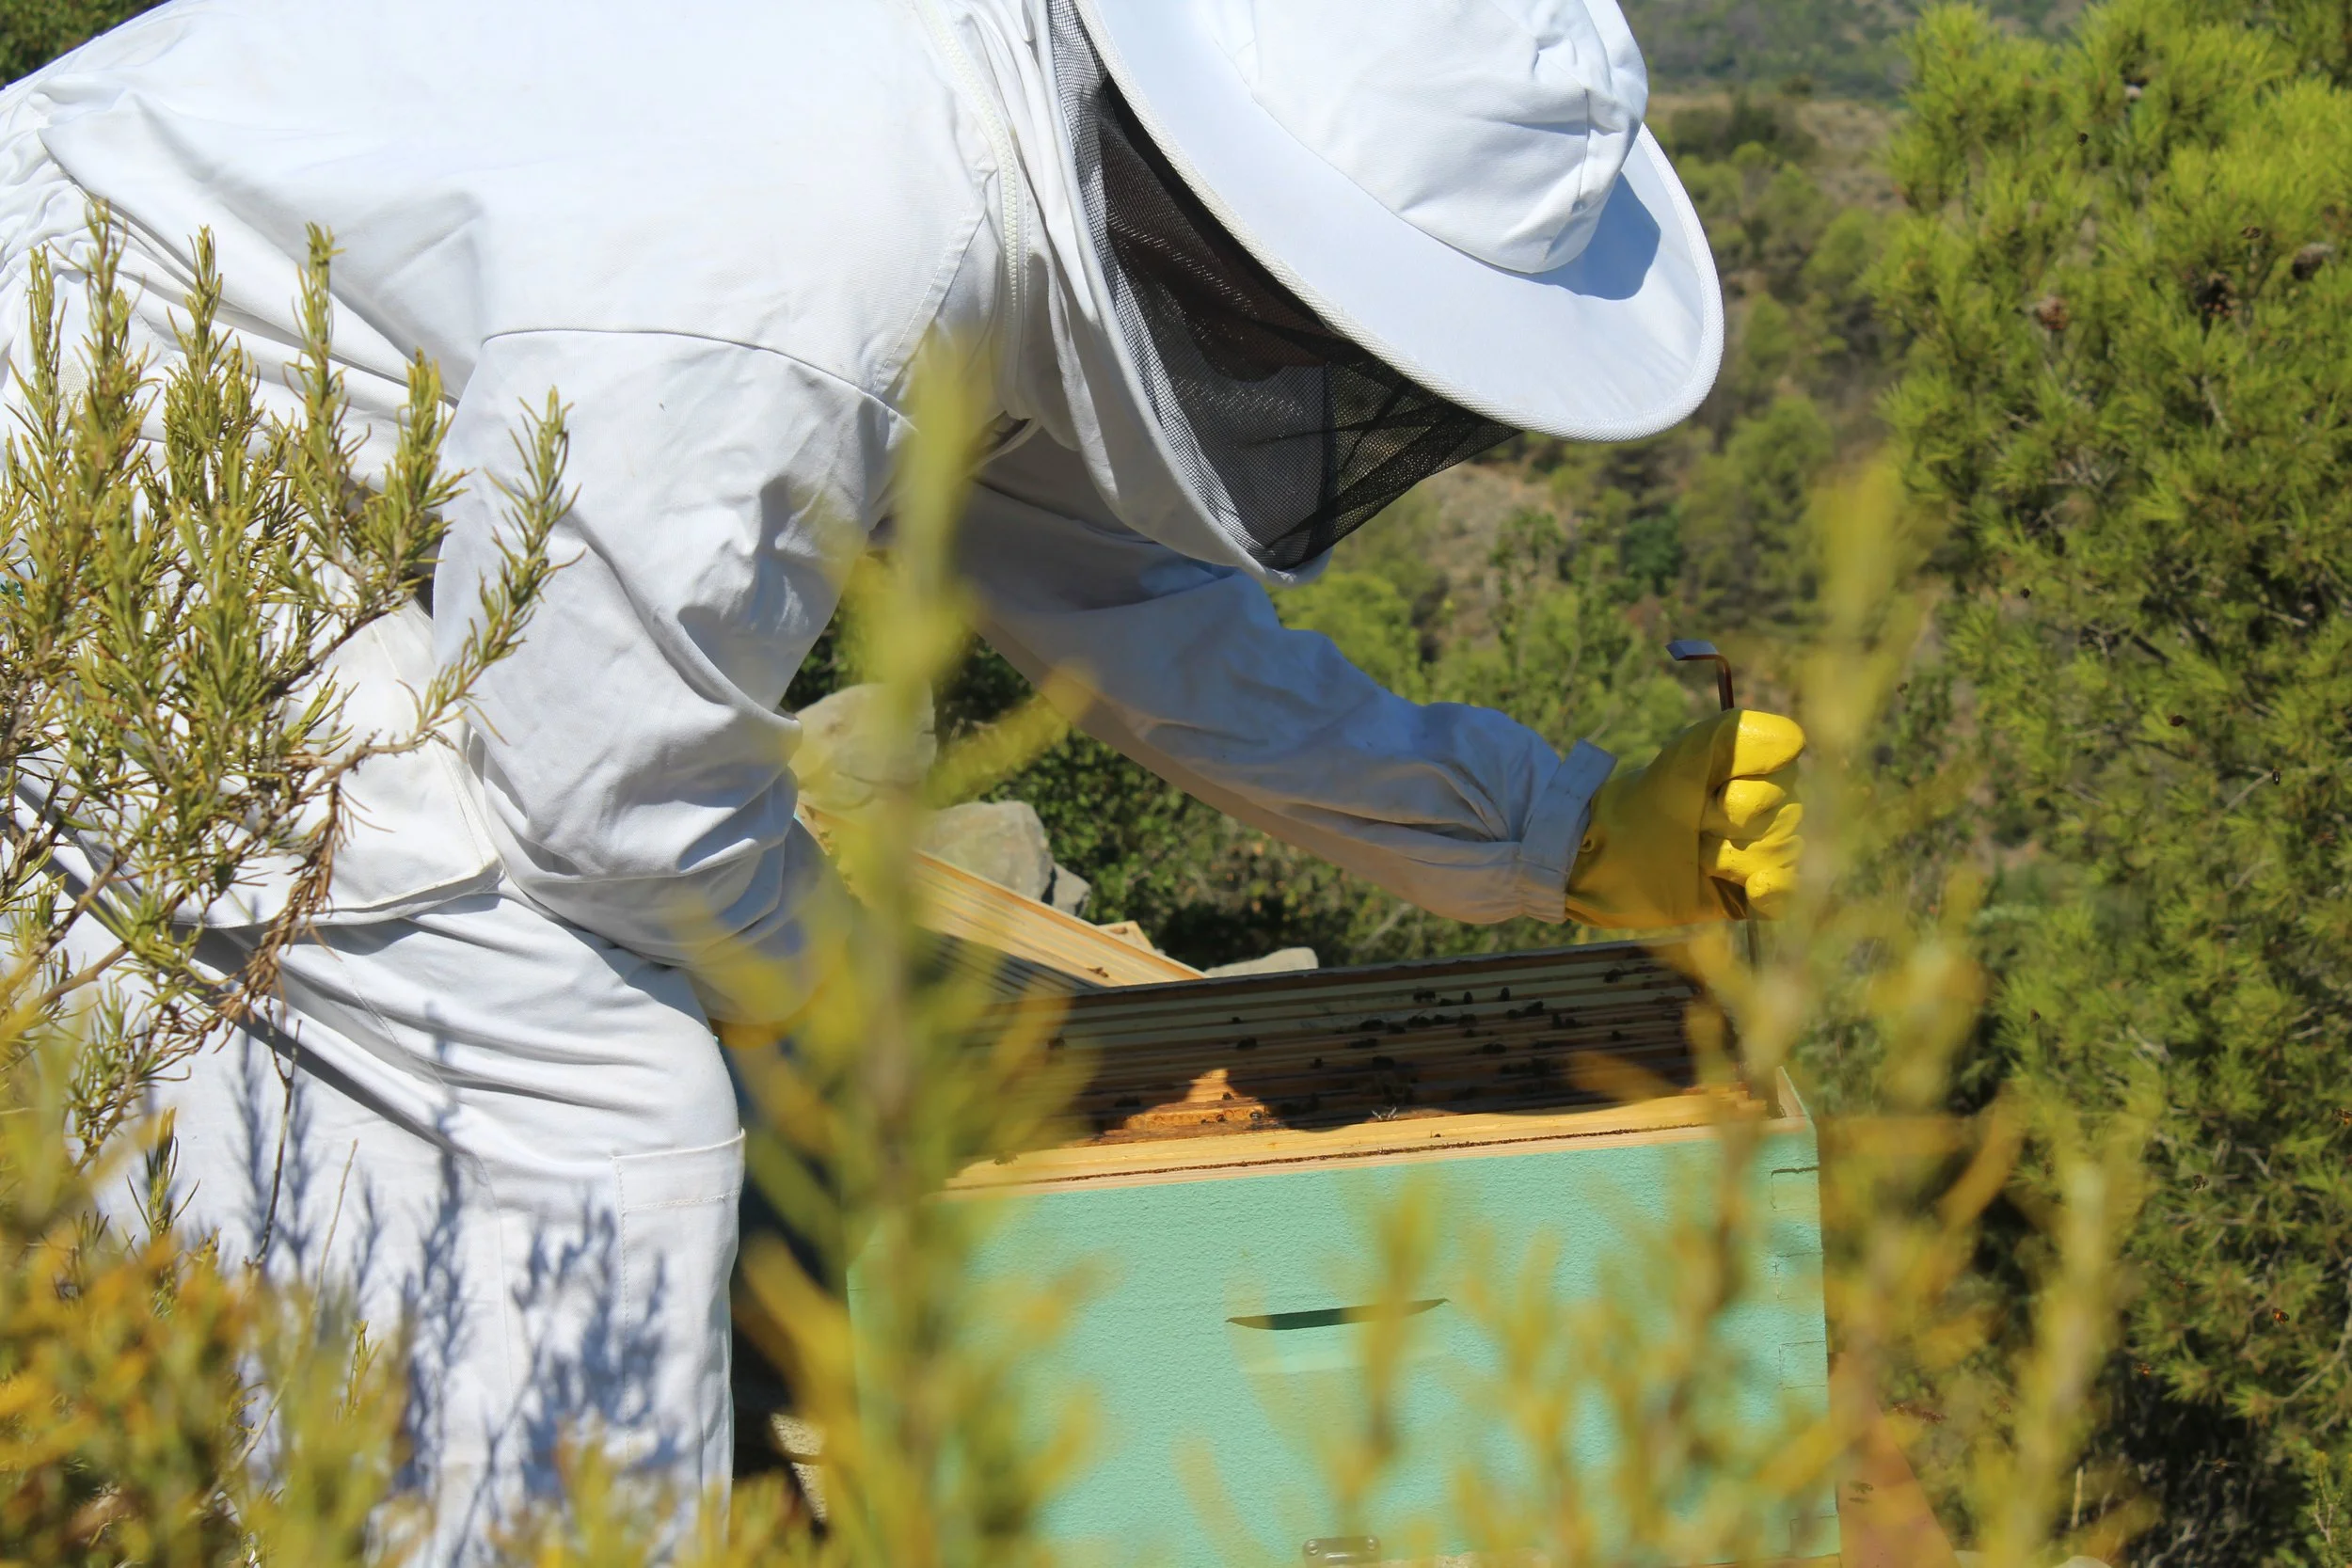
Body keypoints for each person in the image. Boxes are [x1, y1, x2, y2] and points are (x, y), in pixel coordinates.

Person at [0, 0, 1804, 1558]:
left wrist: (1550, 828)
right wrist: (852, 996)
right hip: (94, 428)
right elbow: (605, 796)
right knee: (588, 1104)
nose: (1301, 382)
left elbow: (1126, 605)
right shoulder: (821, 248)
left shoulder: (988, 158)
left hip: (214, 410)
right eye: (1310, 332)